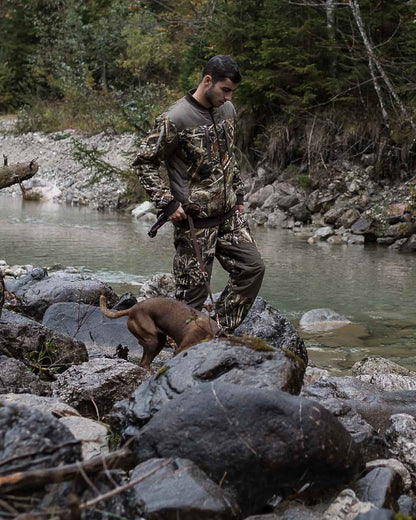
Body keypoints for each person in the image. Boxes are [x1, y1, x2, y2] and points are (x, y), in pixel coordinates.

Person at [133, 55, 265, 333]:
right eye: (224, 90)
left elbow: (230, 158)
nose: (228, 97)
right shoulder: (175, 119)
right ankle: (182, 359)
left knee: (252, 269)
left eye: (232, 92)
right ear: (208, 81)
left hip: (230, 218)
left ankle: (217, 330)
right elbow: (144, 162)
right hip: (195, 223)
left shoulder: (228, 111)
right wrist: (167, 202)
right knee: (191, 300)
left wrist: (238, 197)